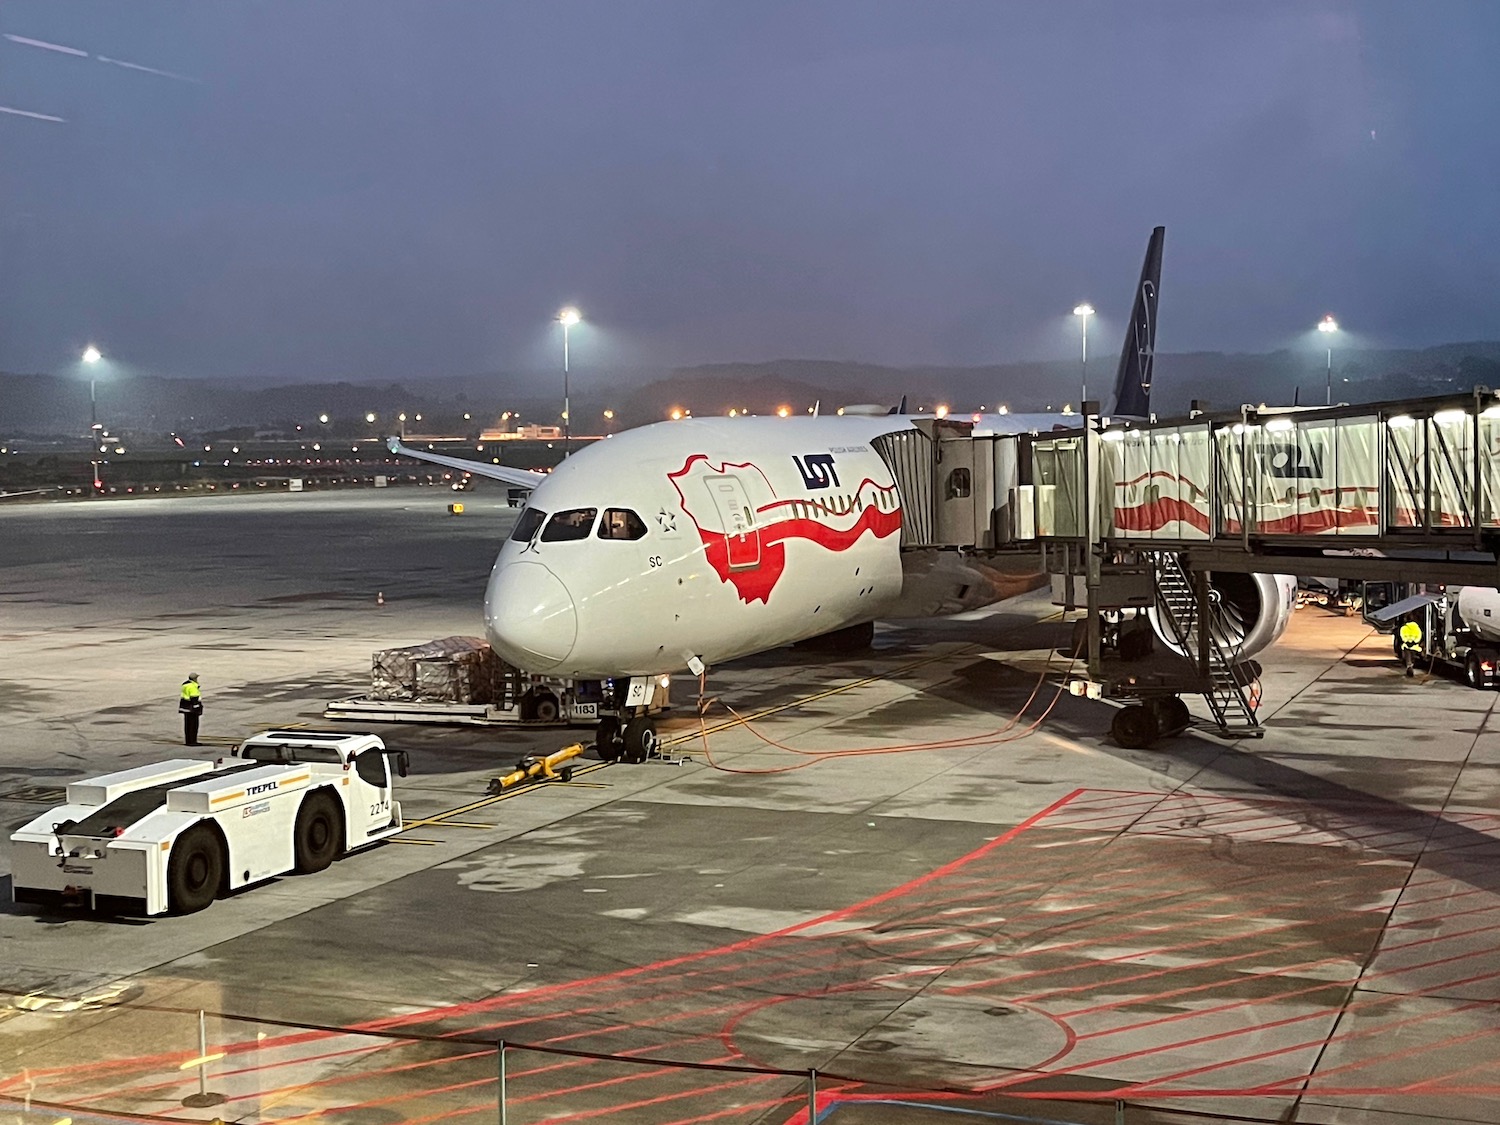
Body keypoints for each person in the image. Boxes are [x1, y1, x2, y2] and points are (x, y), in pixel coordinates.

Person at [179, 673, 204, 745]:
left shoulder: (185, 685)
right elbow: (194, 698)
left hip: (185, 706)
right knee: (193, 725)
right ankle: (193, 741)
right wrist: (197, 708)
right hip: (191, 708)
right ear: (195, 679)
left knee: (187, 725)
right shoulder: (193, 686)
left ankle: (188, 741)